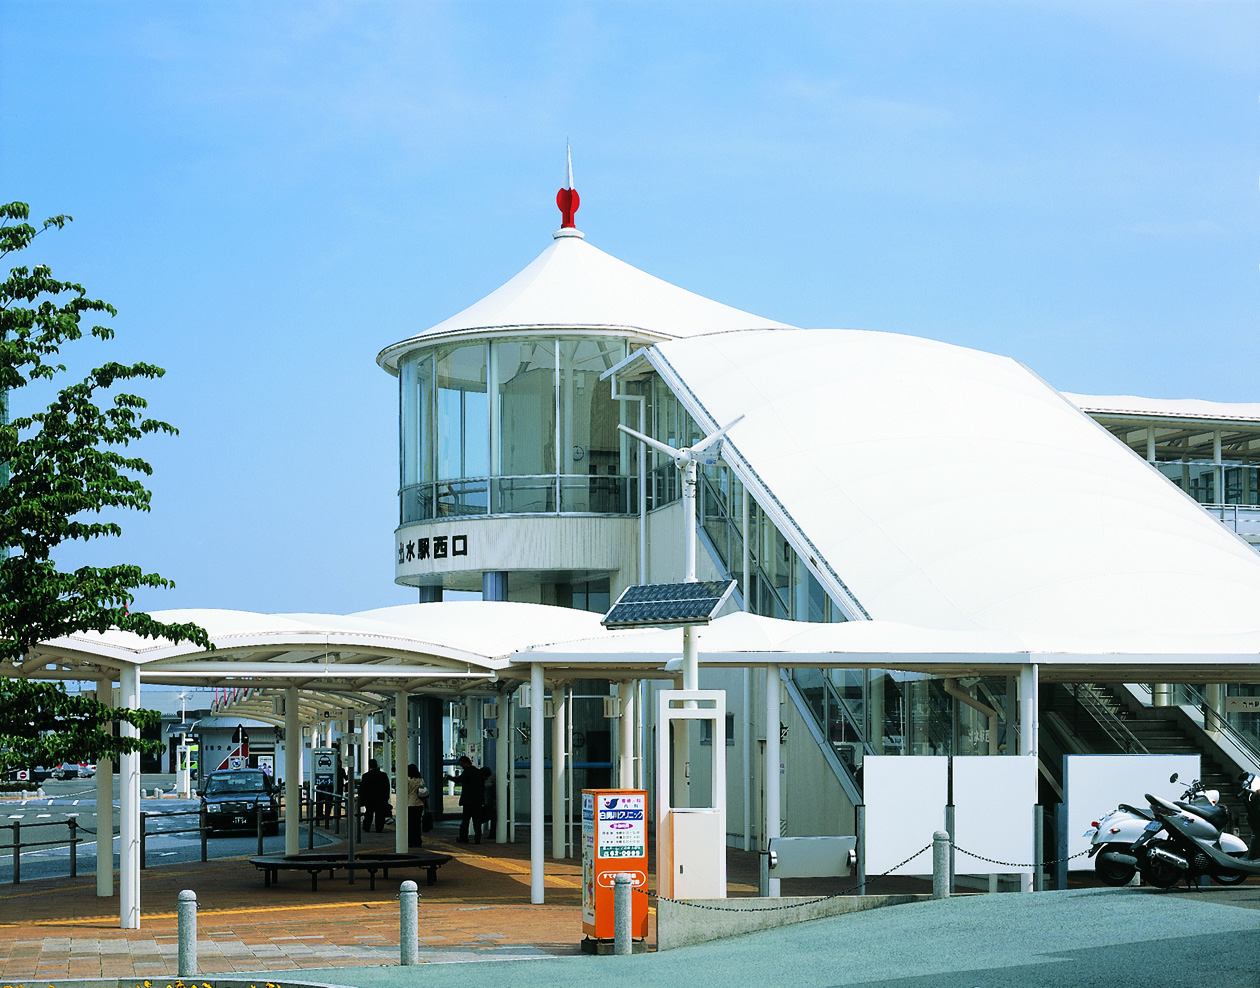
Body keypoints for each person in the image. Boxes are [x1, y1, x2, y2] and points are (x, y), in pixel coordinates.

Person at [444, 755, 488, 844]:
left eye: (462, 765)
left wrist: (448, 777)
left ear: (466, 763)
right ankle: (477, 839)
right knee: (477, 821)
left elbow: (458, 780)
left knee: (465, 821)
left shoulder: (467, 772)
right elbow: (483, 787)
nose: (462, 767)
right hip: (478, 801)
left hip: (468, 801)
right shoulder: (479, 772)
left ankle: (463, 838)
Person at [358, 759, 392, 833]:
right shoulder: (383, 775)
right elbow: (386, 787)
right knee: (380, 814)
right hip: (380, 799)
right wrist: (386, 798)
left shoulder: (366, 776)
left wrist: (362, 798)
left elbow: (362, 789)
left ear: (369, 766)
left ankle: (367, 827)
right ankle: (379, 828)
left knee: (369, 813)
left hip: (369, 799)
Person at [406, 763, 429, 847]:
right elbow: (424, 791)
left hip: (410, 804)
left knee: (410, 824)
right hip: (419, 804)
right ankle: (418, 841)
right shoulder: (420, 780)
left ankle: (411, 841)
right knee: (417, 824)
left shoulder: (407, 780)